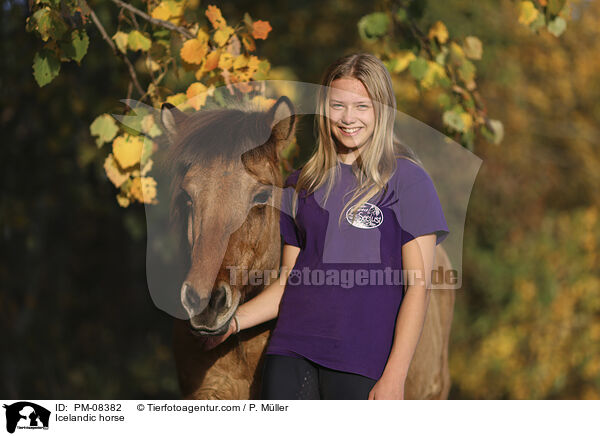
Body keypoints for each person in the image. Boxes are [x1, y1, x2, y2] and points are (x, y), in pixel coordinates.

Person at [202, 52, 449, 400]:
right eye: (338, 106)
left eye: (362, 106)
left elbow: (417, 289)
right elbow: (289, 281)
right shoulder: (299, 184)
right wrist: (233, 322)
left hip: (363, 362)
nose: (348, 118)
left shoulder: (408, 180)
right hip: (289, 354)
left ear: (382, 110)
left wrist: (395, 374)